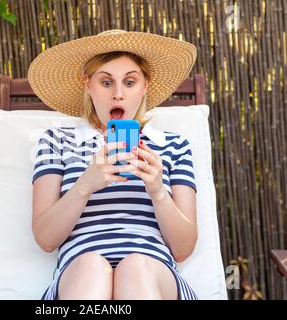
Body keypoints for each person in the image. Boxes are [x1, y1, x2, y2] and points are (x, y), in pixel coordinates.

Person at [28, 29, 198, 300]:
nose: (118, 94)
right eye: (106, 82)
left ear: (145, 86)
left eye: (129, 83)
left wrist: (158, 192)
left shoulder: (174, 146)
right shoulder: (56, 142)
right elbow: (46, 239)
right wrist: (85, 185)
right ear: (88, 85)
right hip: (80, 272)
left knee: (135, 268)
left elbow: (183, 248)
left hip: (153, 273)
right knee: (92, 267)